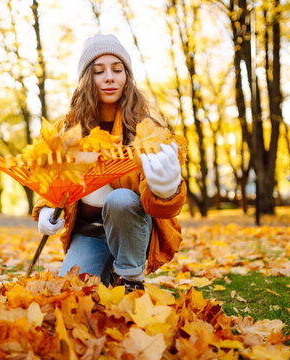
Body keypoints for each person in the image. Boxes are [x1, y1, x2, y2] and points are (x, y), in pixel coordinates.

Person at [32, 34, 186, 292]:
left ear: (127, 76)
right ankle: (108, 274)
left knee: (121, 200)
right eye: (98, 71)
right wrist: (46, 208)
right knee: (71, 292)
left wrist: (166, 189)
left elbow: (164, 209)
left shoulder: (145, 129)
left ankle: (131, 279)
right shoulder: (68, 128)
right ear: (86, 79)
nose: (109, 77)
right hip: (88, 232)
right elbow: (52, 177)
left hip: (133, 227)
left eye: (117, 69)